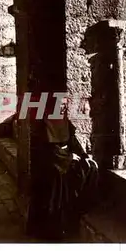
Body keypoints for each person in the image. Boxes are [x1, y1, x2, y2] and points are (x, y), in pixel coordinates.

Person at [26, 94, 99, 241]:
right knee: (52, 196)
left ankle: (65, 226)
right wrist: (70, 158)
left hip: (63, 162)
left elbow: (72, 141)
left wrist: (85, 156)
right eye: (60, 104)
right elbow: (48, 150)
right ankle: (50, 233)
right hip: (51, 166)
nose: (63, 107)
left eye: (65, 105)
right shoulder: (44, 123)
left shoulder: (64, 120)